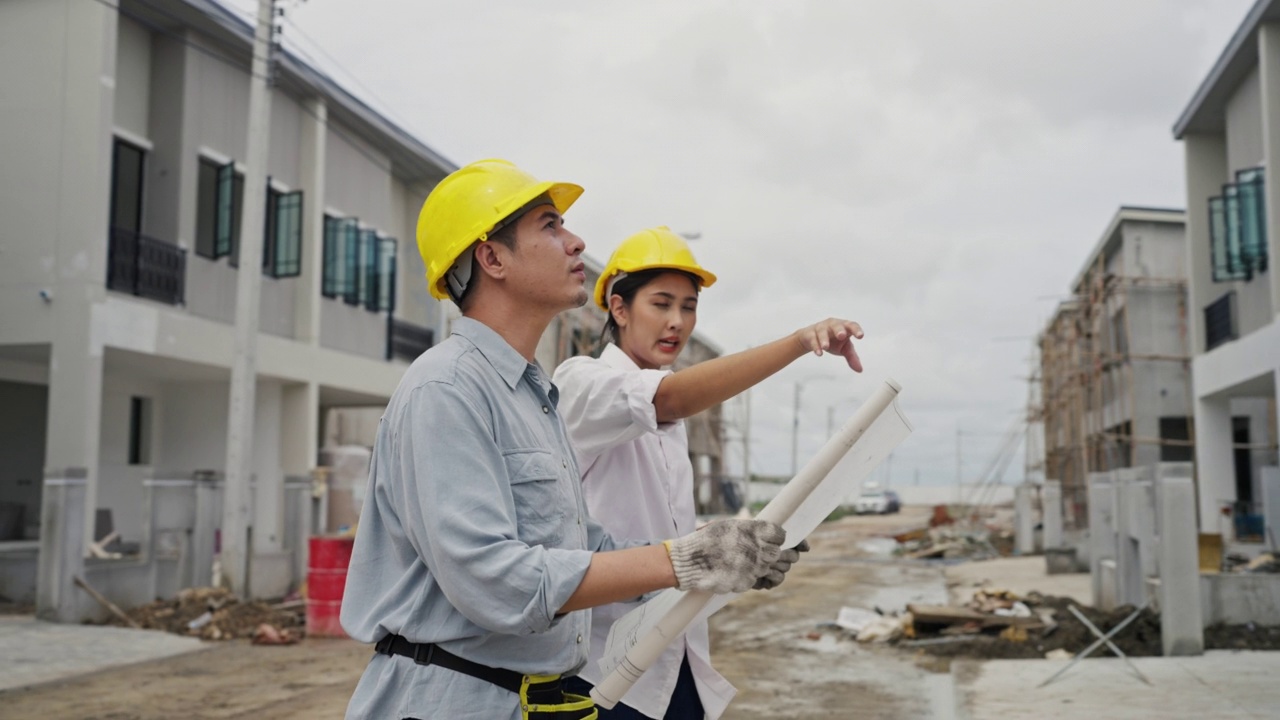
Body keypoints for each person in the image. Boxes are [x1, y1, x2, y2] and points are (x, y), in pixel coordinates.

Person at [340, 161, 803, 720]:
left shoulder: (533, 397)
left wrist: (727, 557)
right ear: (493, 258)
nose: (576, 240)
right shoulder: (445, 389)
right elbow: (496, 581)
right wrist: (682, 561)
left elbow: (586, 548)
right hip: (450, 700)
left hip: (532, 701)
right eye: (550, 225)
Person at [552, 226, 864, 720]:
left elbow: (667, 541)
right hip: (600, 670)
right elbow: (669, 398)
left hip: (677, 666)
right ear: (618, 307)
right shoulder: (582, 384)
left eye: (689, 306)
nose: (678, 322)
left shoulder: (668, 415)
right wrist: (800, 342)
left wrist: (742, 556)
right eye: (661, 303)